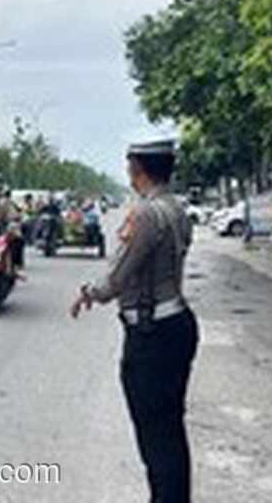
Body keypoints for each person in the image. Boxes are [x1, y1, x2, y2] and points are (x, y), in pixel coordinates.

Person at [69, 140, 198, 503]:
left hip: (152, 334)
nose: (127, 171)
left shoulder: (145, 214)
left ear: (138, 169)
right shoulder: (177, 209)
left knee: (156, 434)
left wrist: (88, 292)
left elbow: (118, 277)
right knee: (170, 429)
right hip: (177, 324)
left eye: (129, 165)